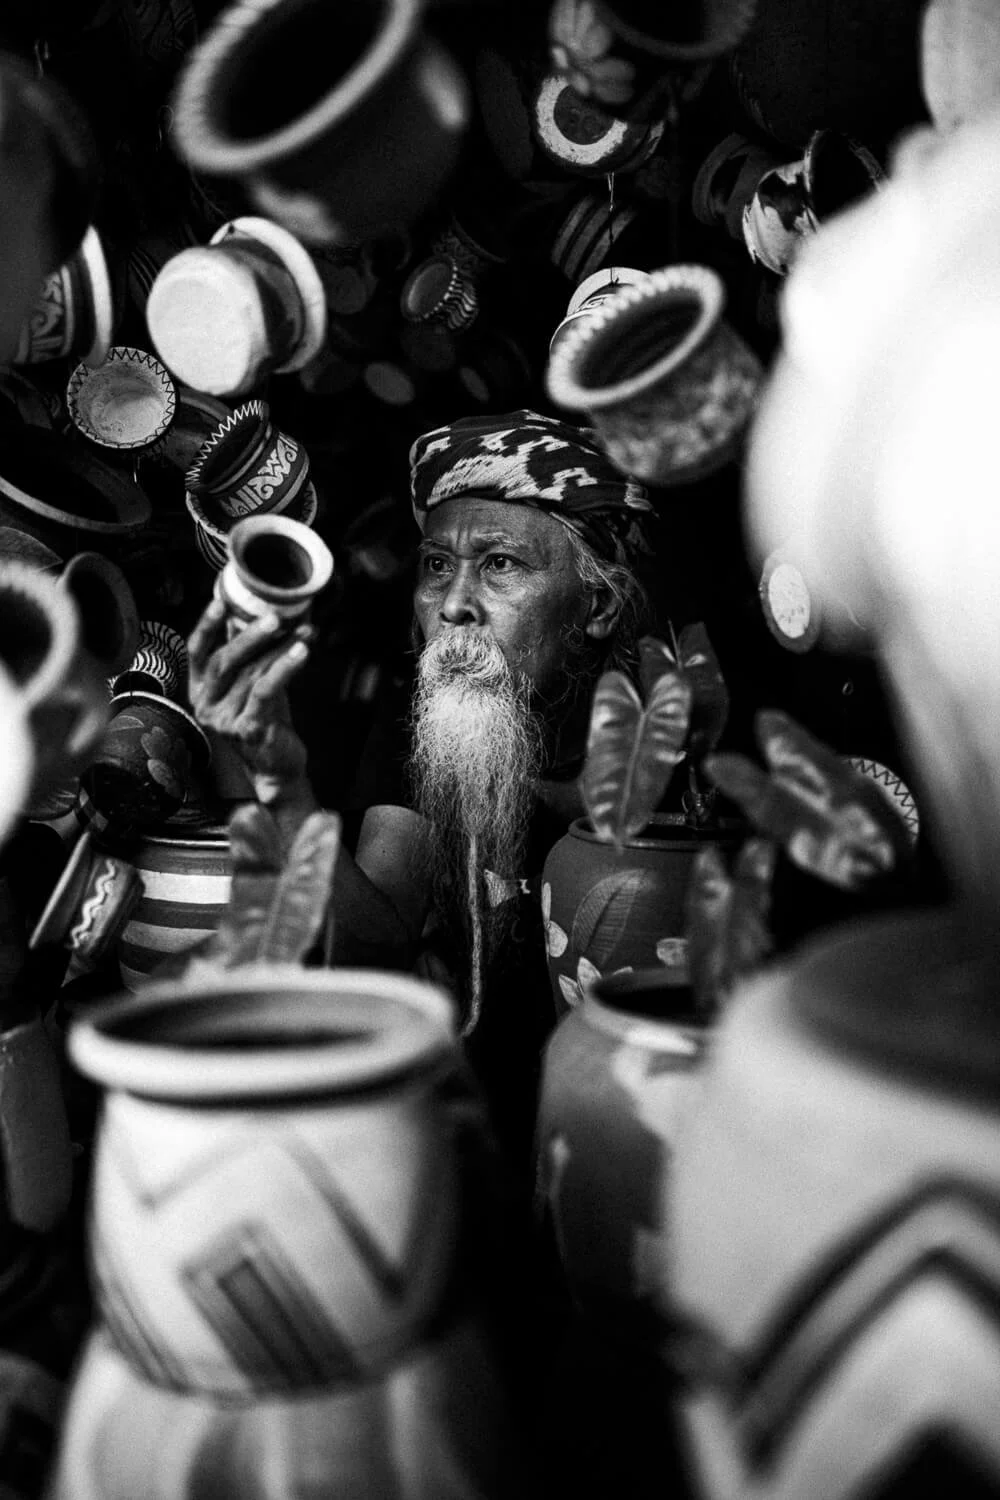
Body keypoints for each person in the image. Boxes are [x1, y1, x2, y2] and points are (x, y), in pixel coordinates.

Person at [189, 409, 656, 1161]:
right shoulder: (438, 702)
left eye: (500, 564)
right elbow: (374, 943)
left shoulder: (664, 738)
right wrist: (280, 781)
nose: (453, 604)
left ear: (596, 605)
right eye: (437, 564)